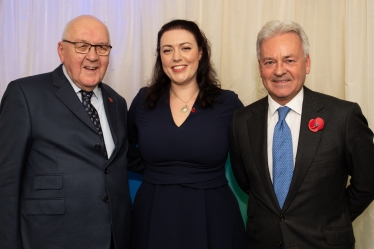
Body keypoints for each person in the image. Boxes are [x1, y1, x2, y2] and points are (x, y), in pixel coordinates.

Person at [230, 20, 374, 249]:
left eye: (289, 60)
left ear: (306, 63)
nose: (279, 70)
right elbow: (247, 183)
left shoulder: (343, 117)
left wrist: (333, 219)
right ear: (260, 67)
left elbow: (368, 182)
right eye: (270, 62)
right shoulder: (241, 122)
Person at [0, 15, 138, 249]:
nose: (93, 56)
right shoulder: (24, 94)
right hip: (50, 238)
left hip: (112, 238)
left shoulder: (118, 103)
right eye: (82, 46)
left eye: (102, 48)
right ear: (62, 51)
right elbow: (6, 182)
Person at [128, 19, 246, 249]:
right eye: (167, 50)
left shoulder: (228, 103)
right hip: (153, 211)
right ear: (159, 56)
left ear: (200, 52)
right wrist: (158, 172)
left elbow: (248, 160)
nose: (176, 57)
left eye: (185, 48)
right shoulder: (143, 101)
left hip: (212, 214)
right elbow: (126, 150)